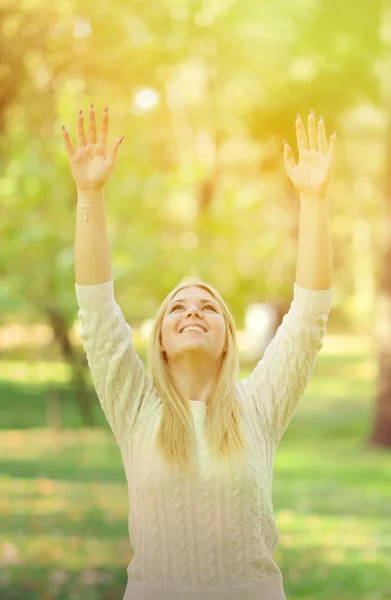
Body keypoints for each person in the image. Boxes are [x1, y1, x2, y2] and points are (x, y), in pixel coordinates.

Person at [63, 104, 336, 599]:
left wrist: (314, 199)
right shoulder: (136, 409)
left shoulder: (259, 407)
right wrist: (90, 194)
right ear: (161, 341)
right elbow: (97, 310)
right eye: (178, 308)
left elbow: (309, 317)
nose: (193, 312)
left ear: (227, 338)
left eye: (208, 307)